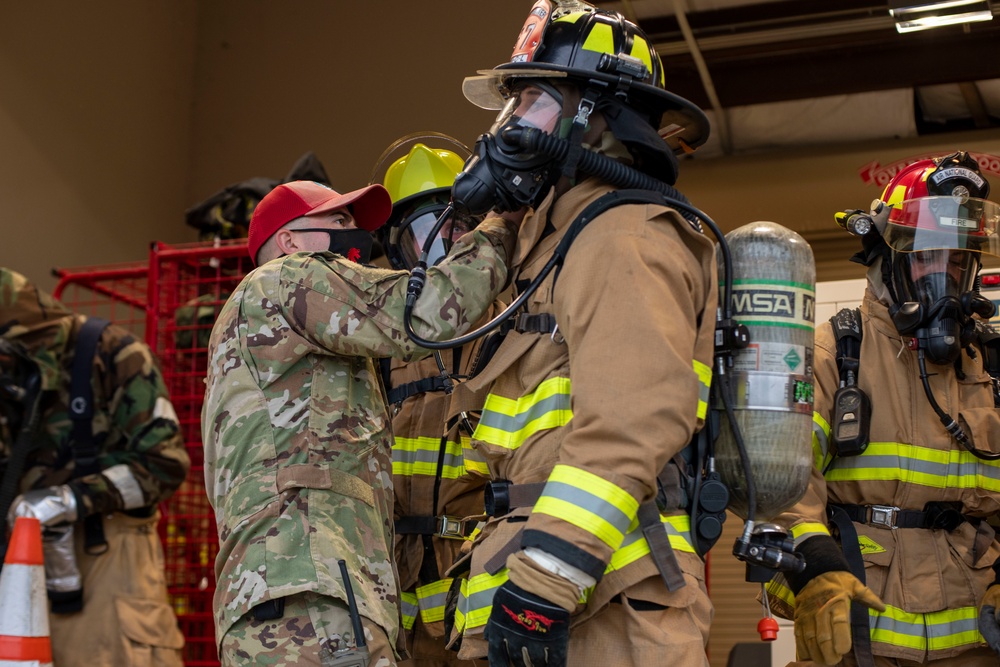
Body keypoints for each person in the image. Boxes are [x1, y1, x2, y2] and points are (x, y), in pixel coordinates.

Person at [441, 2, 719, 665]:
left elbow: (632, 421)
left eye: (532, 101)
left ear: (592, 117)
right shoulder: (552, 246)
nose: (508, 129)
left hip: (604, 613)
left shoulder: (621, 232)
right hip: (563, 601)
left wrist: (544, 582)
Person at [201, 179, 519, 667]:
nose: (356, 240)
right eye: (339, 222)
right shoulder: (289, 278)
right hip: (313, 593)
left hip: (294, 594)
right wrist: (503, 222)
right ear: (289, 241)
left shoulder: (268, 328)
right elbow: (426, 314)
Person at [765, 151, 1000, 666]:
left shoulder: (987, 367)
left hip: (974, 637)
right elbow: (784, 486)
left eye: (958, 260)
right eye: (925, 256)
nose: (944, 276)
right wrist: (816, 568)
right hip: (858, 630)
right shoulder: (830, 352)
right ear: (886, 258)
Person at [0, 267, 189, 667]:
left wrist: (69, 499)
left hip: (107, 553)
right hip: (20, 565)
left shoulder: (110, 351)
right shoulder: (14, 375)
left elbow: (164, 464)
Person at [374, 138, 496, 667]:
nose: (441, 249)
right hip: (404, 597)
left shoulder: (510, 329)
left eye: (454, 227)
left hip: (484, 583)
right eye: (421, 235)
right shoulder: (384, 347)